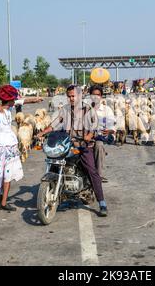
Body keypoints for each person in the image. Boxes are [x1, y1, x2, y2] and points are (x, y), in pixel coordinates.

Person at [37, 85, 108, 217]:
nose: (71, 98)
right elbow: (55, 124)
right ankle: (59, 190)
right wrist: (42, 132)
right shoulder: (65, 110)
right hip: (68, 144)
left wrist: (87, 137)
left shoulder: (88, 109)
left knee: (92, 171)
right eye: (69, 96)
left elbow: (93, 127)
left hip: (84, 145)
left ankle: (102, 202)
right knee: (54, 161)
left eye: (73, 96)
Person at [0, 85, 43, 212]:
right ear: (9, 99)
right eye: (13, 99)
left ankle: (4, 202)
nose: (15, 102)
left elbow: (21, 101)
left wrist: (34, 99)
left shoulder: (9, 108)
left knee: (8, 175)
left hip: (11, 146)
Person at [90, 85, 115, 183]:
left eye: (98, 95)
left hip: (100, 136)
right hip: (86, 135)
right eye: (93, 94)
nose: (96, 97)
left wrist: (109, 130)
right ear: (90, 95)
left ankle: (98, 176)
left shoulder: (107, 110)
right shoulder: (85, 108)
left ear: (101, 96)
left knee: (99, 146)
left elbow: (112, 126)